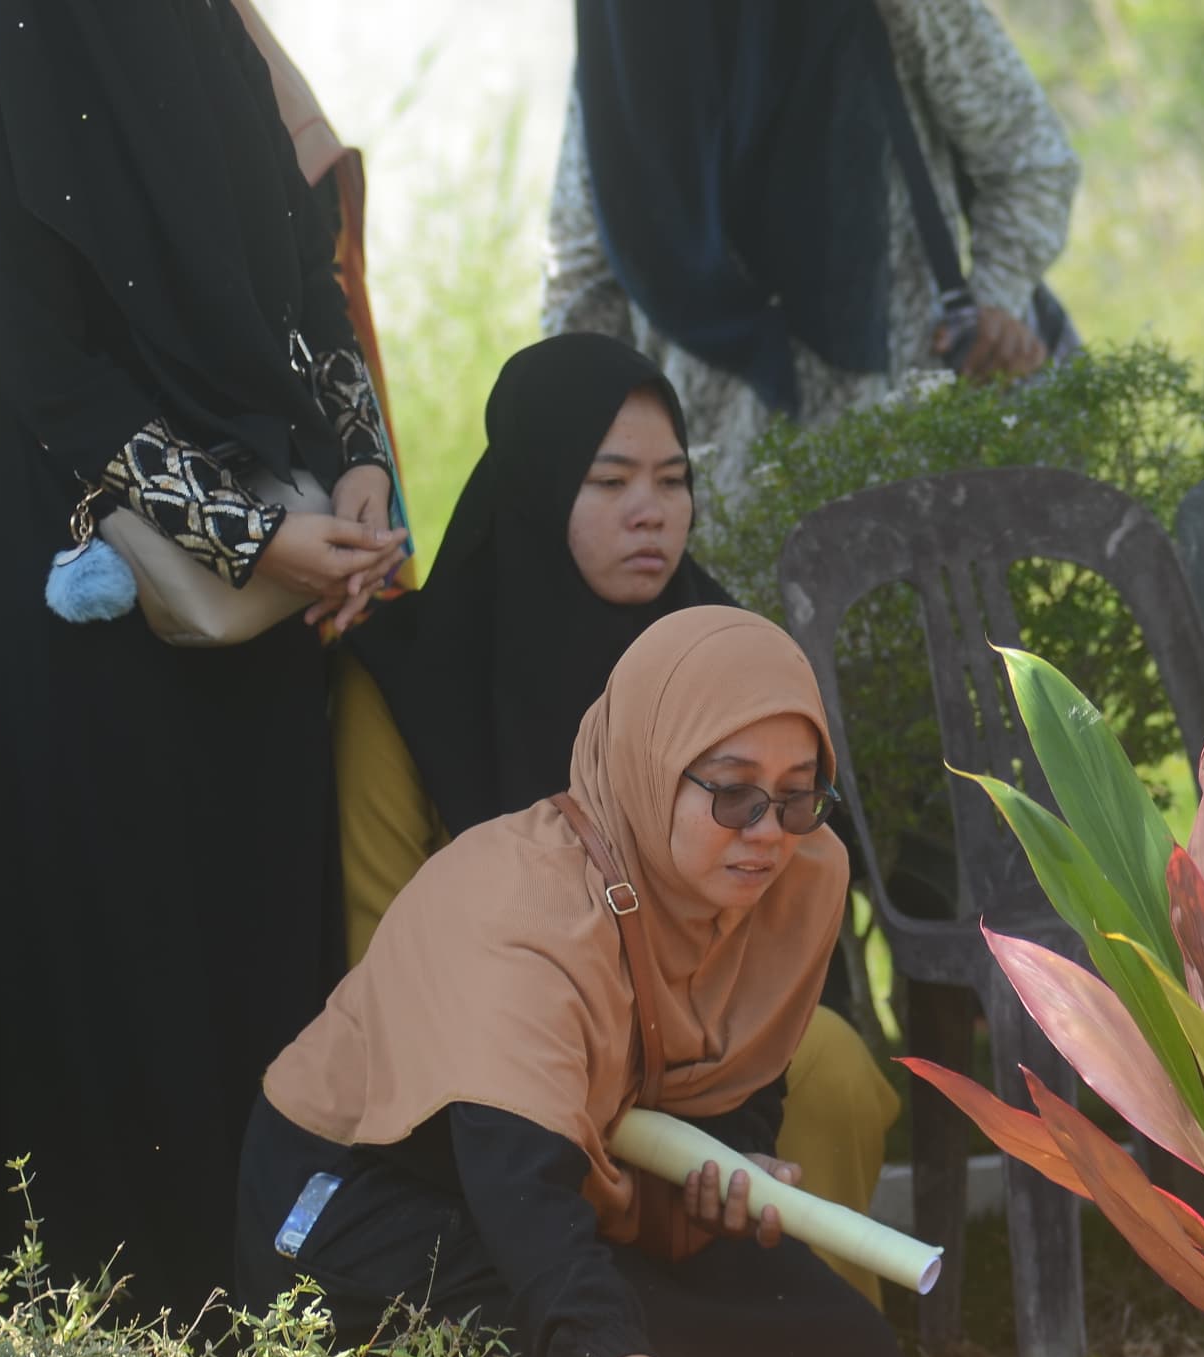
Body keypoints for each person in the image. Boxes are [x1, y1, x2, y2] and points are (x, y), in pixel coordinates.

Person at [0, 0, 406, 1323]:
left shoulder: (207, 26)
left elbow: (306, 273)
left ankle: (270, 1288)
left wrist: (358, 469)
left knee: (245, 934)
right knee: (86, 946)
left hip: (266, 576)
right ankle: (81, 1321)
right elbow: (30, 347)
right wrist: (243, 527)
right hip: (60, 567)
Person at [244, 607, 922, 1357]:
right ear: (649, 767)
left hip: (577, 1188)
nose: (768, 831)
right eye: (733, 791)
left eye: (797, 794)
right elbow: (511, 1169)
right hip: (366, 1195)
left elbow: (738, 1086)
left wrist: (724, 1170)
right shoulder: (519, 909)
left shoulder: (798, 872)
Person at [338, 332, 901, 1302]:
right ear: (534, 484)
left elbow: (782, 881)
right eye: (608, 483)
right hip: (508, 1034)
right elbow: (384, 940)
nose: (651, 513)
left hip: (702, 1022)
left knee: (837, 1069)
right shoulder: (409, 677)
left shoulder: (716, 649)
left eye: (673, 481)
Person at [541, 0, 1080, 495]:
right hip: (710, 514)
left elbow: (1030, 158)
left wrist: (993, 302)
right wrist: (609, 461)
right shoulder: (627, 35)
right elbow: (581, 284)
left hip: (915, 474)